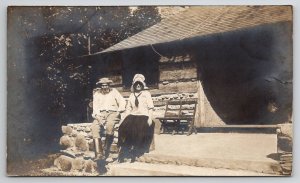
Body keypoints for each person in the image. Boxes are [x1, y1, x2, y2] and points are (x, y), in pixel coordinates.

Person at [118, 74, 155, 163]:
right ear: (134, 85)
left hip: (144, 115)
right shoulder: (131, 95)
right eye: (136, 84)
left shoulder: (146, 94)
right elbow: (128, 109)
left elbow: (150, 108)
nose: (138, 85)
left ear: (142, 85)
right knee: (123, 127)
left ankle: (136, 150)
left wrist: (150, 118)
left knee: (139, 128)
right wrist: (123, 119)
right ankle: (124, 149)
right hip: (133, 115)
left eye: (140, 84)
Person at [91, 77, 126, 160]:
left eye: (106, 85)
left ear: (109, 85)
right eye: (102, 85)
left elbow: (122, 102)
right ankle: (99, 154)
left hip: (112, 113)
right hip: (100, 114)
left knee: (110, 126)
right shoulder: (97, 94)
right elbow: (95, 108)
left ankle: (106, 151)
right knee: (94, 127)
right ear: (100, 86)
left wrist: (118, 112)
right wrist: (99, 119)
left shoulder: (114, 92)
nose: (104, 87)